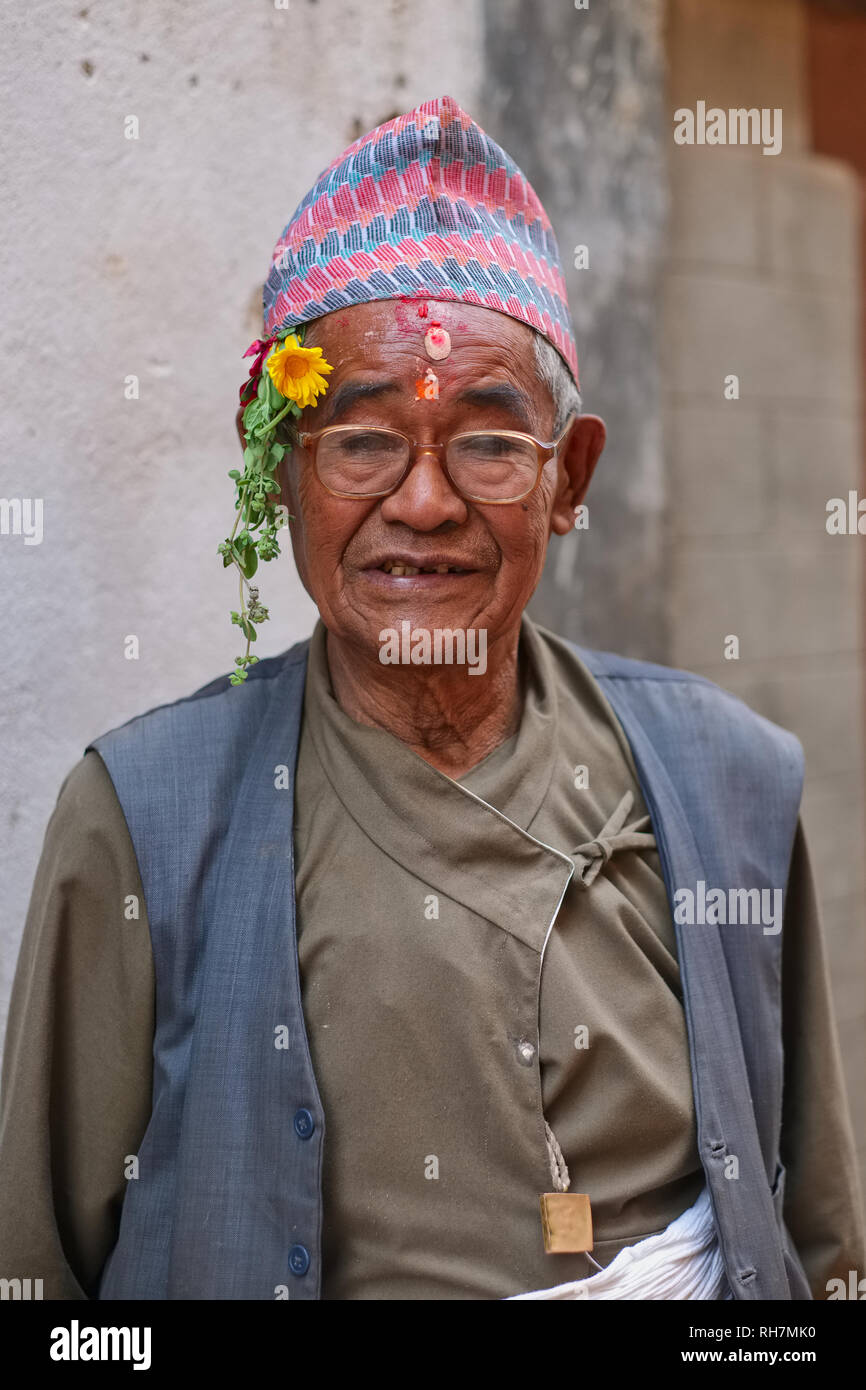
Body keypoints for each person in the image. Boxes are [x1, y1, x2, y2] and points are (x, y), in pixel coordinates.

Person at [0, 95, 862, 1302]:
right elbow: (38, 1278)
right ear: (280, 471)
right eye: (359, 441)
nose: (421, 502)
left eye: (489, 445)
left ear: (569, 478)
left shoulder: (727, 775)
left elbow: (817, 1237)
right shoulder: (142, 815)